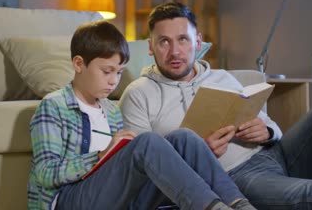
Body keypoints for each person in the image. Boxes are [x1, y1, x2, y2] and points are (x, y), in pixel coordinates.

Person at [119, 2, 312, 210]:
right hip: (236, 178)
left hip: (275, 155)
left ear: (198, 42)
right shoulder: (138, 94)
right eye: (164, 42)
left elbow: (270, 124)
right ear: (151, 47)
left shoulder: (221, 77)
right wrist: (200, 154)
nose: (175, 51)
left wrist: (266, 132)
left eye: (183, 39)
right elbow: (145, 170)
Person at [27, 20, 257, 210]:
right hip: (70, 201)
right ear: (78, 63)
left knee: (184, 138)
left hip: (115, 200)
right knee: (147, 141)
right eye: (106, 71)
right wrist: (100, 156)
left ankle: (240, 205)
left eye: (118, 73)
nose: (113, 81)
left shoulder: (111, 110)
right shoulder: (54, 106)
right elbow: (45, 173)